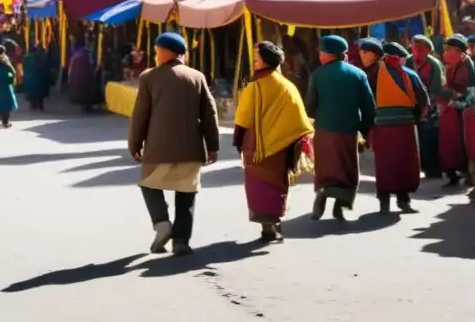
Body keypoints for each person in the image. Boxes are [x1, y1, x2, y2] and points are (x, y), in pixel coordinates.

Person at [129, 32, 219, 256]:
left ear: (165, 52)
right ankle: (181, 242)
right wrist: (213, 146)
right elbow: (210, 114)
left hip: (158, 148)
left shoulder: (149, 77)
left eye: (157, 50)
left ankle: (161, 223)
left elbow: (140, 115)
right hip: (191, 148)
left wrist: (134, 144)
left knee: (149, 184)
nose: (155, 54)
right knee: (186, 193)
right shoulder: (197, 77)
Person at [233, 42, 313, 242]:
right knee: (278, 185)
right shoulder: (288, 86)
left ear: (266, 61)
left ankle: (266, 225)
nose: (254, 62)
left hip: (257, 146)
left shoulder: (254, 87)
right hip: (282, 146)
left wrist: (238, 141)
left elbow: (243, 119)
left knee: (258, 185)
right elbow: (300, 118)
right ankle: (275, 221)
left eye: (257, 58)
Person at [305, 35, 376, 221]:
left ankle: (324, 193)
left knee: (326, 166)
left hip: (324, 129)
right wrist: (364, 127)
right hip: (349, 129)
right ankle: (340, 205)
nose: (320, 55)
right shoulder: (358, 74)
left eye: (321, 52)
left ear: (327, 54)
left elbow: (310, 106)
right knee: (347, 168)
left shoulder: (317, 75)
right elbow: (369, 105)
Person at [365, 41, 429, 213]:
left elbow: (366, 100)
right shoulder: (409, 74)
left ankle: (384, 202)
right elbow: (424, 102)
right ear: (400, 58)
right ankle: (404, 200)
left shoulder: (372, 74)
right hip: (405, 126)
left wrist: (368, 124)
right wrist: (416, 118)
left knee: (385, 163)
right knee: (404, 162)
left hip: (381, 127)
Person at [408, 34, 447, 178]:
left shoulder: (434, 65)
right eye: (414, 48)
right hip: (412, 104)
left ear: (428, 50)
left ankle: (434, 168)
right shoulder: (407, 62)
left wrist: (426, 103)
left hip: (432, 104)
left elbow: (437, 87)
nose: (416, 51)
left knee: (430, 136)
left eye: (420, 48)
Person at [438, 34, 475, 186]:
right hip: (455, 108)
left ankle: (468, 174)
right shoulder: (454, 65)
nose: (446, 53)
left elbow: (469, 91)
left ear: (459, 51)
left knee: (467, 143)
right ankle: (453, 172)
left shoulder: (467, 65)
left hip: (467, 110)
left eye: (450, 49)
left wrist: (457, 103)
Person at [67, 38, 100, 111]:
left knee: (81, 92)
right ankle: (86, 105)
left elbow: (71, 67)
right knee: (86, 91)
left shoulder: (75, 56)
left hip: (78, 77)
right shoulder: (85, 54)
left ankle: (83, 105)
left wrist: (70, 77)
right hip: (85, 76)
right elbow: (89, 65)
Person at [23, 43, 51, 111]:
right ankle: (40, 106)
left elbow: (24, 67)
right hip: (39, 77)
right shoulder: (41, 57)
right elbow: (44, 67)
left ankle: (33, 105)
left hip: (30, 77)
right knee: (40, 94)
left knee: (32, 93)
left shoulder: (26, 58)